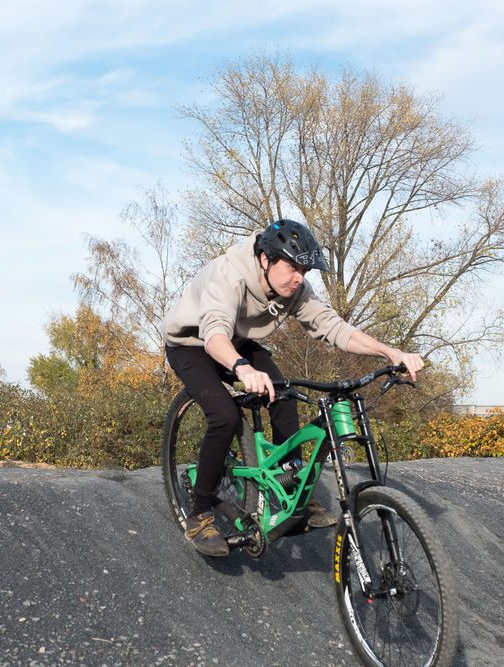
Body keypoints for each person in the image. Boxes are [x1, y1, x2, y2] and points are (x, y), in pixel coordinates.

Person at [162, 218, 424, 556]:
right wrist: (242, 367)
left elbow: (333, 327)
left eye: (306, 270)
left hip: (240, 341)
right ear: (265, 259)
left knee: (284, 396)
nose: (300, 277)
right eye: (293, 267)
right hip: (194, 343)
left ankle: (292, 485)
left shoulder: (295, 287)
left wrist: (390, 351)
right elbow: (214, 335)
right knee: (225, 415)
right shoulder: (230, 275)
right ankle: (199, 512)